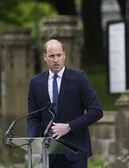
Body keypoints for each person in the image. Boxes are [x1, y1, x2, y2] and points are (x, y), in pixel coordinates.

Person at [27, 39, 103, 168]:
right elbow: (34, 118)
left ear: (64, 55)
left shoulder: (79, 78)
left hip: (75, 152)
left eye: (59, 55)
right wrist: (34, 145)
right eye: (51, 56)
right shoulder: (35, 83)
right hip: (49, 154)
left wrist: (69, 126)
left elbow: (96, 111)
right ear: (45, 57)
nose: (56, 59)